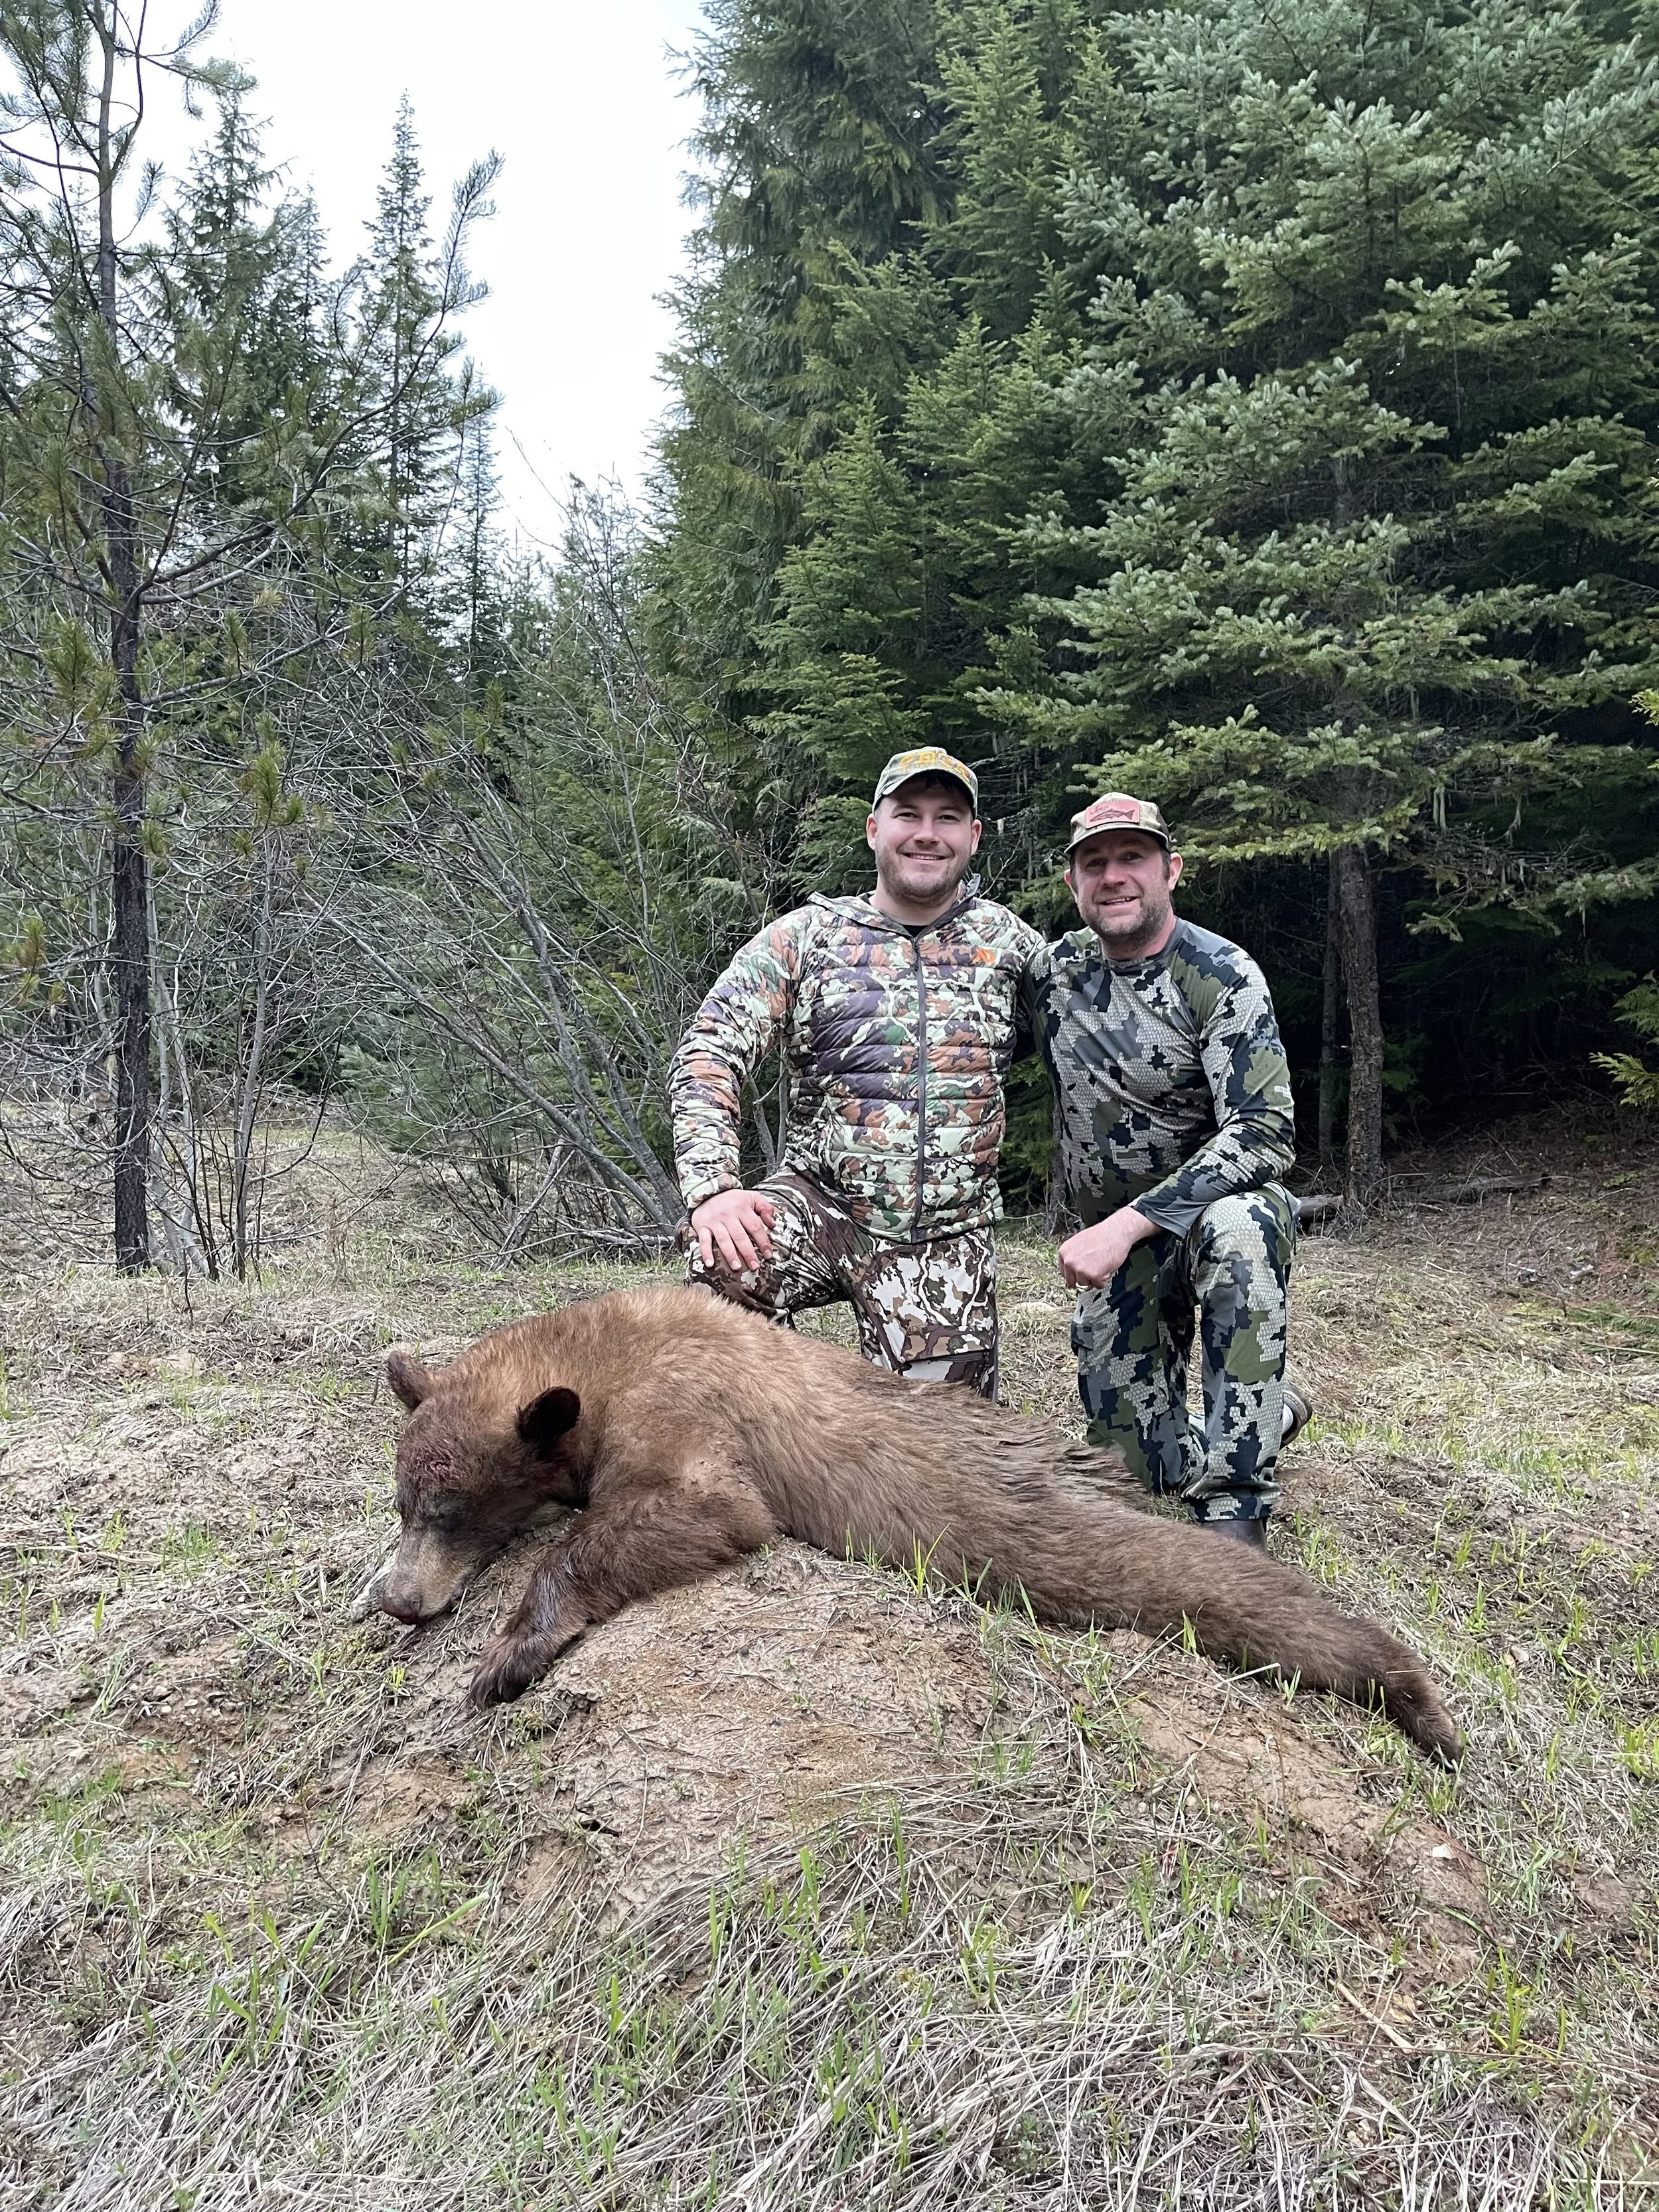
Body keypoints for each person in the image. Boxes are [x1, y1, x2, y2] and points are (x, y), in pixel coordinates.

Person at [670, 746, 1043, 1399]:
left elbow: (1089, 1046)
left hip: (942, 1235)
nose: (927, 833)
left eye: (948, 817)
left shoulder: (1010, 945)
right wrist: (713, 1190)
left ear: (973, 837)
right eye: (908, 814)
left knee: (942, 1455)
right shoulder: (806, 936)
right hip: (819, 1206)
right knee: (722, 1264)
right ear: (875, 828)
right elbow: (708, 1051)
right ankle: (756, 1462)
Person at [1027, 792, 1313, 1546]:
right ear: (1073, 885)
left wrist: (1124, 1226)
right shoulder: (1053, 977)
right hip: (1121, 1256)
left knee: (1244, 1223)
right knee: (1137, 1474)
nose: (1113, 877)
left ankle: (1236, 1510)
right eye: (1095, 864)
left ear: (1171, 871)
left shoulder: (1220, 973)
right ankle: (1266, 1417)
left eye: (1132, 859)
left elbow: (1265, 1131)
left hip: (1202, 1222)